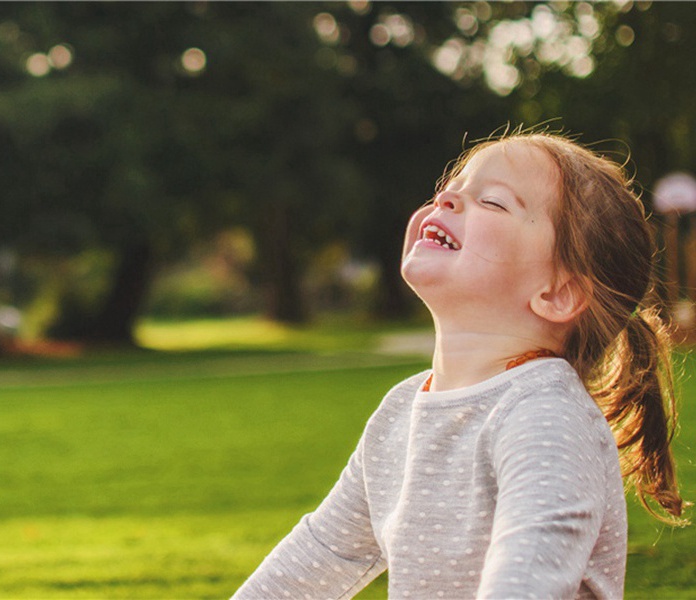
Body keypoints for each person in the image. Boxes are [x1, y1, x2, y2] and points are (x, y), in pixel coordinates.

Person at [233, 130, 687, 599]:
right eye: (447, 188)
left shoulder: (545, 417)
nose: (446, 198)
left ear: (557, 293)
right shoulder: (402, 410)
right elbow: (324, 552)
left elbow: (528, 575)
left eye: (492, 202)